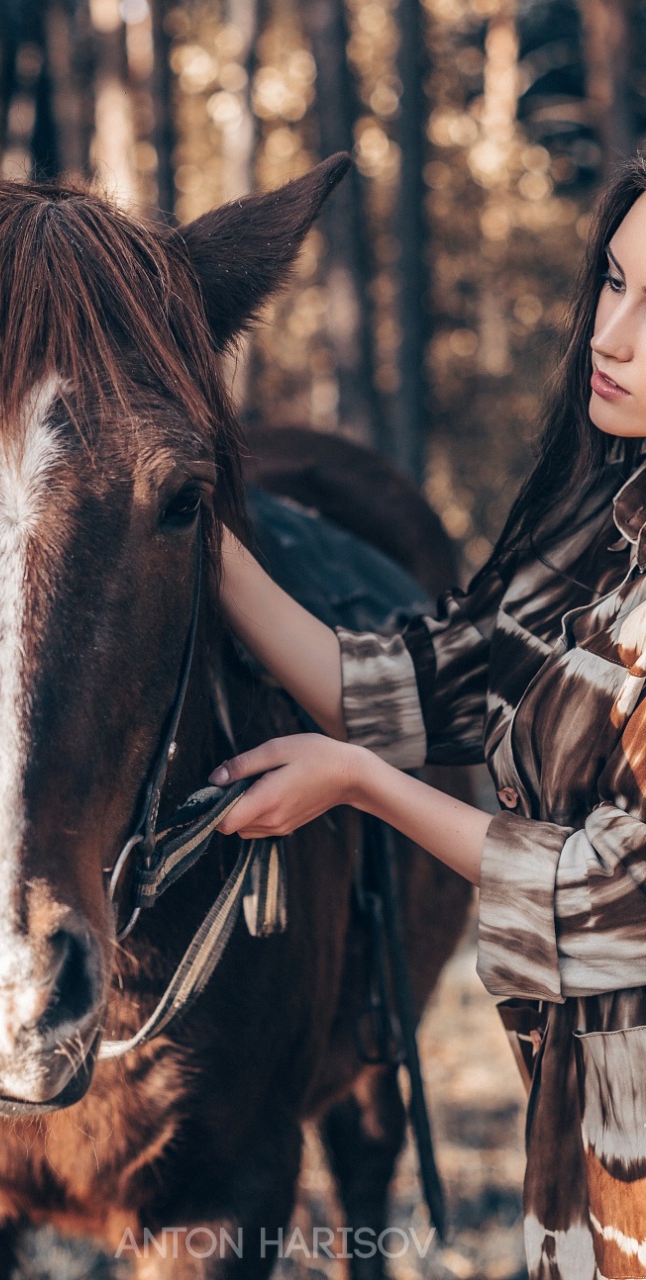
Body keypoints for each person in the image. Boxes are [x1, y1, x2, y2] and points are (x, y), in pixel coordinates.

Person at [209, 156, 646, 1279]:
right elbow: (420, 681)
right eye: (613, 282)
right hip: (589, 1119)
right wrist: (184, 524)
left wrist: (359, 783)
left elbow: (617, 897)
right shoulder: (601, 536)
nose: (612, 337)